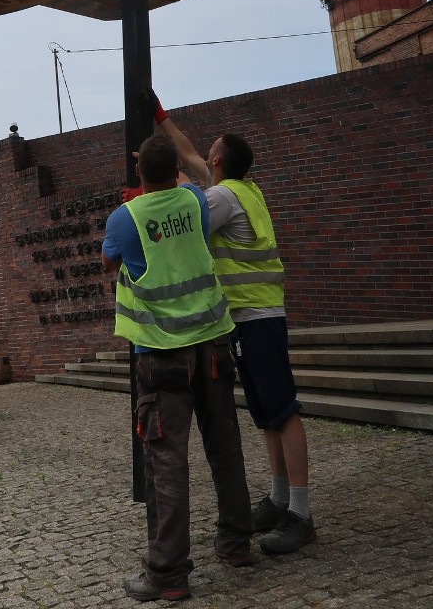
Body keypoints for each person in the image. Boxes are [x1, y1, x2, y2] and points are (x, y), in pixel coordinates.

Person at [102, 133, 253, 603]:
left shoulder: (124, 219)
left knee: (166, 460)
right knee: (224, 443)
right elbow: (186, 180)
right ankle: (236, 543)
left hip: (162, 355)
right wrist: (161, 170)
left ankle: (167, 572)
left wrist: (140, 194)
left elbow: (110, 259)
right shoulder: (193, 199)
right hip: (212, 344)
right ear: (172, 173)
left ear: (139, 174)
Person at [205, 133, 317, 555]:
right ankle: (278, 499)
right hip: (249, 317)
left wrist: (160, 185)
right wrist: (161, 116)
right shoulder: (244, 188)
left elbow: (187, 218)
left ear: (216, 160)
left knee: (283, 409)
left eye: (209, 147)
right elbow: (183, 155)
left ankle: (302, 516)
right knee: (267, 414)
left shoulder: (223, 198)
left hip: (257, 317)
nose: (204, 150)